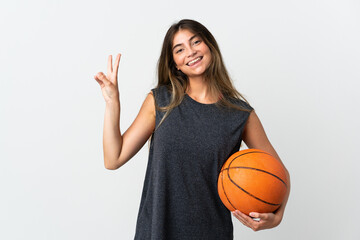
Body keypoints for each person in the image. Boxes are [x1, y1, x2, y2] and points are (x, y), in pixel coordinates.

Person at [94, 19, 290, 240]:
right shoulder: (161, 102)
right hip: (156, 232)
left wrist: (277, 217)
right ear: (175, 63)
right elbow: (114, 158)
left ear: (209, 46)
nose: (191, 52)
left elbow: (280, 174)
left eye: (196, 42)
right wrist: (113, 103)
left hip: (212, 233)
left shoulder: (240, 115)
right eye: (180, 49)